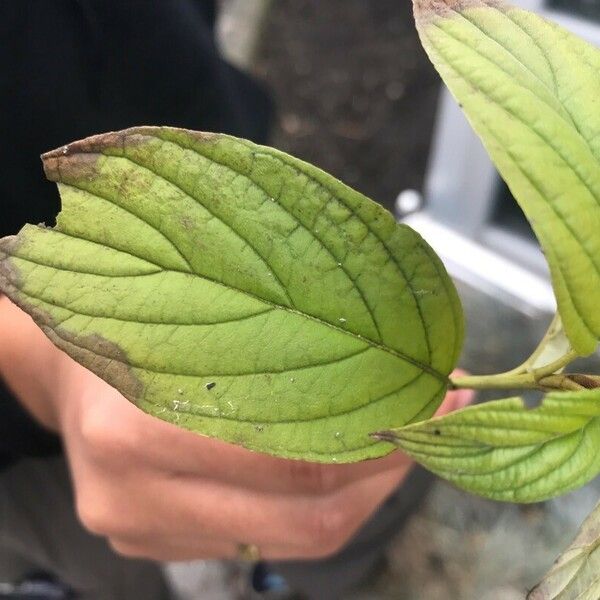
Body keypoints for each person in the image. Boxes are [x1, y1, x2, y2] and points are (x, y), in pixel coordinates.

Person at [0, 2, 473, 598]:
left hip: (211, 163)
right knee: (106, 564)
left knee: (342, 510)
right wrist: (36, 365)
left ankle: (295, 576)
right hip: (25, 444)